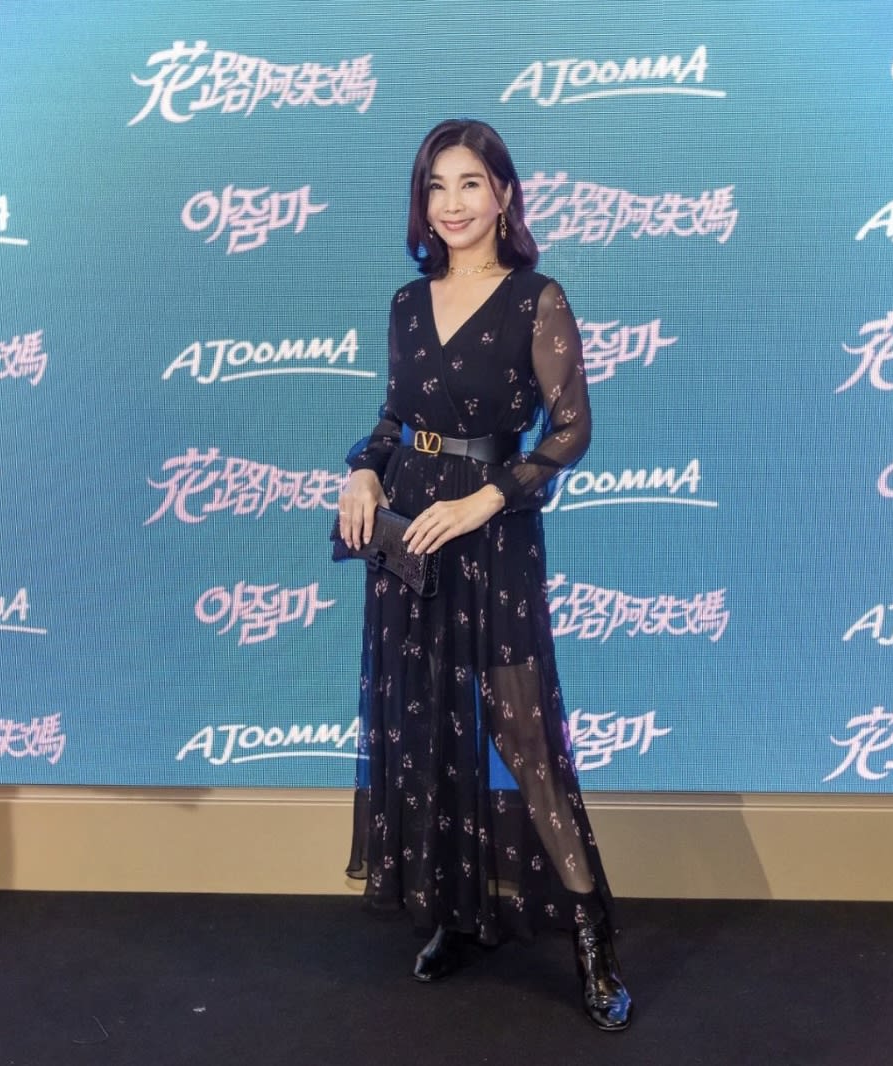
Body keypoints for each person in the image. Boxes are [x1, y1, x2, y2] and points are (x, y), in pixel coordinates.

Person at [337, 118, 632, 1031]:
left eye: (470, 183)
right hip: (410, 537)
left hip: (492, 535)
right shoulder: (405, 302)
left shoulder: (537, 299)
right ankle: (456, 915)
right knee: (426, 729)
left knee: (525, 739)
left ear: (503, 194)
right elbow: (393, 420)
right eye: (436, 186)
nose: (452, 203)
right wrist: (362, 469)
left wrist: (488, 500)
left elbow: (570, 430)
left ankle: (593, 942)